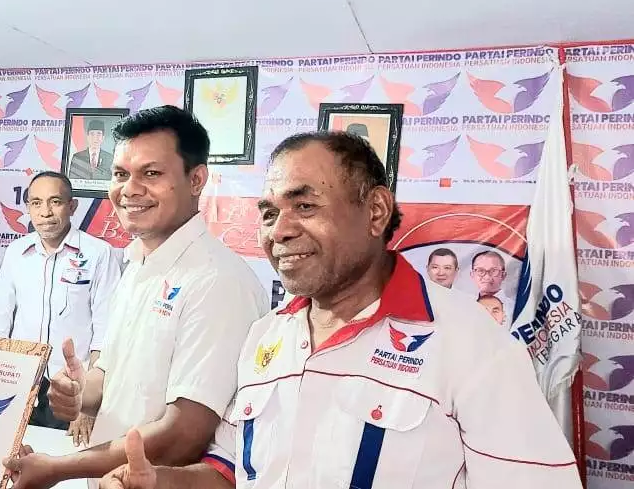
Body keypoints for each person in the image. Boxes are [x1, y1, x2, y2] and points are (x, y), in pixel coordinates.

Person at [97, 130, 581, 489]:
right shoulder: (267, 336)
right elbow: (230, 471)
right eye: (269, 213)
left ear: (375, 212)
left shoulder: (472, 344)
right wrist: (162, 481)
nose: (279, 231)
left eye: (304, 206)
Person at [4, 105, 268, 488]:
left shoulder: (219, 281)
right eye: (121, 174)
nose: (129, 189)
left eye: (151, 173)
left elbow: (183, 435)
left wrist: (59, 468)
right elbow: (108, 375)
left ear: (196, 180)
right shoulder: (136, 264)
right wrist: (79, 393)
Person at [0, 171, 121, 441]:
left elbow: (106, 334)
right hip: (19, 384)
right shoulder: (17, 252)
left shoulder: (98, 254)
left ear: (72, 206)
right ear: (28, 208)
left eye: (55, 202)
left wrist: (88, 404)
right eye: (36, 203)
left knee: (65, 460)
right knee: (14, 457)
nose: (45, 212)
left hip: (71, 388)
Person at [471, 250, 512, 317]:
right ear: (472, 275)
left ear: (503, 275)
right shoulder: (467, 305)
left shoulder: (514, 308)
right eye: (480, 270)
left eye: (493, 271)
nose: (487, 277)